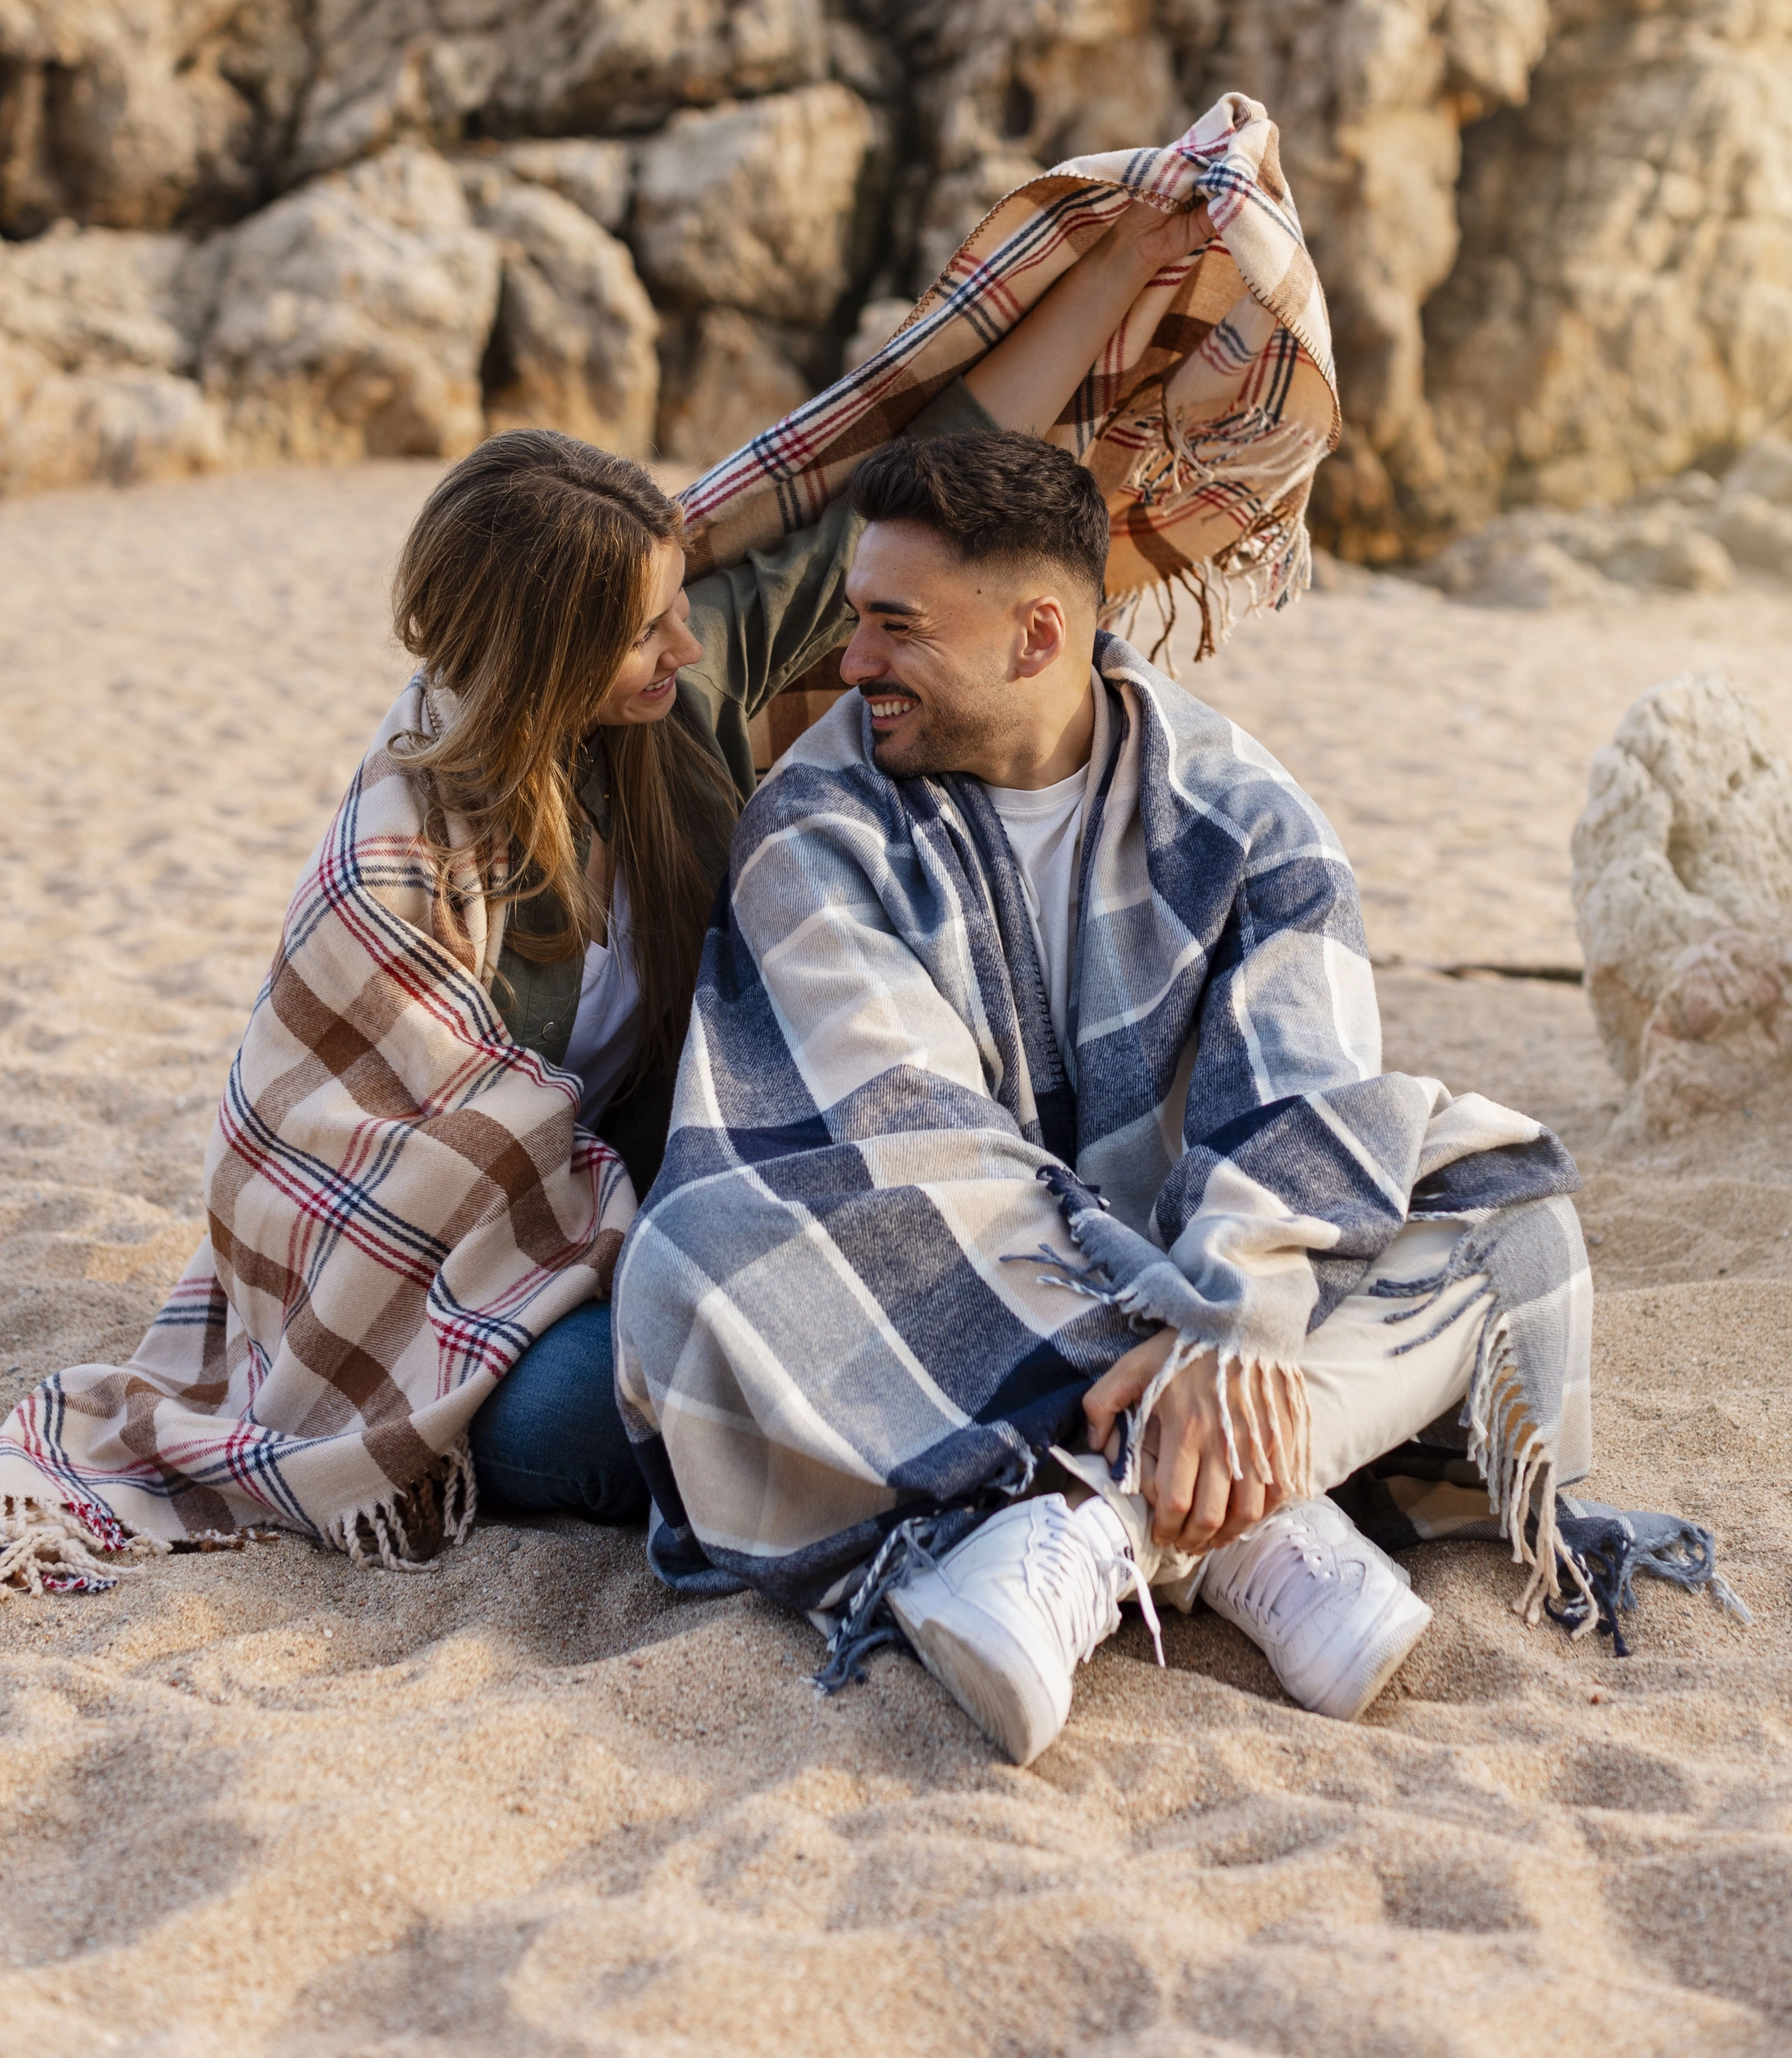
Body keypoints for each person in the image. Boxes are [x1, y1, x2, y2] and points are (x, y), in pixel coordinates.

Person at [0, 186, 1222, 1594]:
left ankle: (1099, 1481)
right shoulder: (400, 853)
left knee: (811, 1317)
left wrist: (1120, 269)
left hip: (666, 1221)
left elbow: (902, 485)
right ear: (549, 658)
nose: (686, 646)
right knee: (610, 1410)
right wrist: (631, 1241)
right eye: (647, 630)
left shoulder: (673, 723)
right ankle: (1052, 1490)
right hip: (439, 1305)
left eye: (678, 606)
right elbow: (348, 1162)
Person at [612, 430, 1732, 1764]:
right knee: (703, 1255)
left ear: (1036, 636)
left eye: (894, 628)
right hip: (949, 1265)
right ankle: (1252, 1520)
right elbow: (899, 1130)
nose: (851, 665)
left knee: (1510, 1217)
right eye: (856, 618)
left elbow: (1307, 1099)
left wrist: (1228, 1318)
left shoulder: (1244, 813)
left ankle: (1101, 1529)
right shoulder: (815, 820)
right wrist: (1204, 1341)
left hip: (1176, 1291)